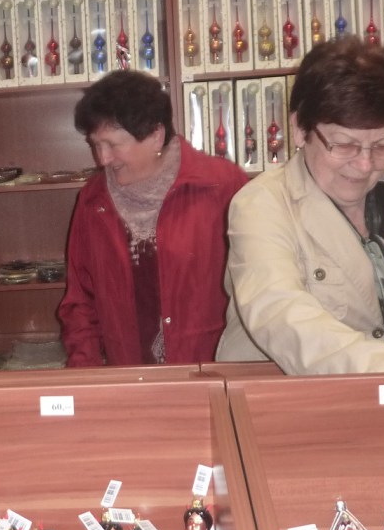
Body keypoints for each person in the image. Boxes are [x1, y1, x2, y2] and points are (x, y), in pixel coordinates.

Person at [216, 37, 384, 373]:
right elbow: (281, 314)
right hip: (284, 394)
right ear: (300, 129)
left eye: (382, 146)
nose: (364, 165)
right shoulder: (261, 205)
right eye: (344, 145)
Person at [59, 70, 249, 366]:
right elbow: (80, 302)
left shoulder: (222, 186)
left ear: (156, 136)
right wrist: (87, 374)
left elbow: (255, 286)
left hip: (211, 371)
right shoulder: (93, 201)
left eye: (113, 145)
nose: (103, 159)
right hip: (128, 376)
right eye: (96, 144)